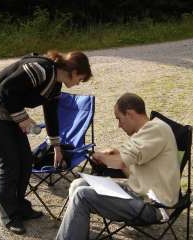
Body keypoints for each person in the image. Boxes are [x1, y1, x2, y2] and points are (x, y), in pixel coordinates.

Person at [0, 50, 92, 235]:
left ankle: (20, 205)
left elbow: (51, 115)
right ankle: (10, 215)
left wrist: (56, 147)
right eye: (81, 79)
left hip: (9, 112)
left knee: (26, 159)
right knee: (10, 162)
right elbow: (6, 88)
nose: (79, 83)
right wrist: (22, 119)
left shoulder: (55, 85)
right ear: (75, 72)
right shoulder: (40, 69)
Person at [55, 93, 181, 240]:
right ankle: (76, 232)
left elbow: (121, 162)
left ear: (130, 114)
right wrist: (116, 154)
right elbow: (131, 168)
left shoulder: (156, 129)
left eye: (119, 119)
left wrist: (101, 156)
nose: (119, 125)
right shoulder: (147, 132)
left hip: (154, 206)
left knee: (82, 195)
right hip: (141, 192)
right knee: (78, 184)